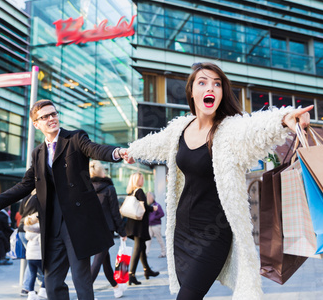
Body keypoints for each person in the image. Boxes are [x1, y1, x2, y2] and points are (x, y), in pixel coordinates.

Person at [125, 62, 312, 299]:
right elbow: (156, 142)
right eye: (202, 83)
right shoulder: (181, 128)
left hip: (213, 234)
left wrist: (284, 118)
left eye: (217, 83)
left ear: (222, 92)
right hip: (182, 232)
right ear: (192, 91)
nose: (210, 88)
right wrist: (131, 150)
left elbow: (255, 127)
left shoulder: (229, 130)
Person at [0, 99, 128, 300]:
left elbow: (95, 149)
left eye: (54, 114)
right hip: (52, 226)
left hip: (77, 223)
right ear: (36, 124)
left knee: (81, 279)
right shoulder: (38, 153)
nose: (51, 119)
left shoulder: (75, 138)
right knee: (52, 282)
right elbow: (24, 185)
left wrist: (117, 152)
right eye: (45, 116)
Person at [89, 160, 127, 298]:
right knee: (98, 261)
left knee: (104, 259)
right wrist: (122, 231)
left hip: (91, 229)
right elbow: (115, 212)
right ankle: (85, 294)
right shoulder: (109, 189)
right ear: (102, 172)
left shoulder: (87, 188)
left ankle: (116, 287)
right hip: (106, 230)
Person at [125, 172, 160, 286]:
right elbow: (144, 207)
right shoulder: (139, 191)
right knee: (138, 247)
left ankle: (147, 270)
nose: (143, 180)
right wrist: (153, 208)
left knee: (142, 247)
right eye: (141, 178)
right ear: (137, 180)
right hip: (139, 224)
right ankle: (131, 275)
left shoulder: (131, 192)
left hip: (133, 223)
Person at [18, 192, 44, 297]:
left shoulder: (26, 196)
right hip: (35, 227)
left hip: (23, 228)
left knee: (31, 261)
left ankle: (29, 287)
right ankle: (31, 287)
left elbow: (20, 212)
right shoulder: (41, 196)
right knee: (37, 261)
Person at [24, 212, 47, 300]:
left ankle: (31, 294)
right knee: (46, 274)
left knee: (32, 275)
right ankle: (43, 291)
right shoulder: (39, 231)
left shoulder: (28, 231)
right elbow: (42, 245)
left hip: (30, 257)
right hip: (39, 257)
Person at [145, 192, 166, 258]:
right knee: (148, 240)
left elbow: (162, 214)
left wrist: (155, 217)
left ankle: (163, 252)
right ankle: (146, 253)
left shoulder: (157, 205)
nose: (147, 198)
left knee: (159, 239)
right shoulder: (147, 206)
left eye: (149, 197)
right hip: (149, 225)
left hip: (156, 225)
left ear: (152, 198)